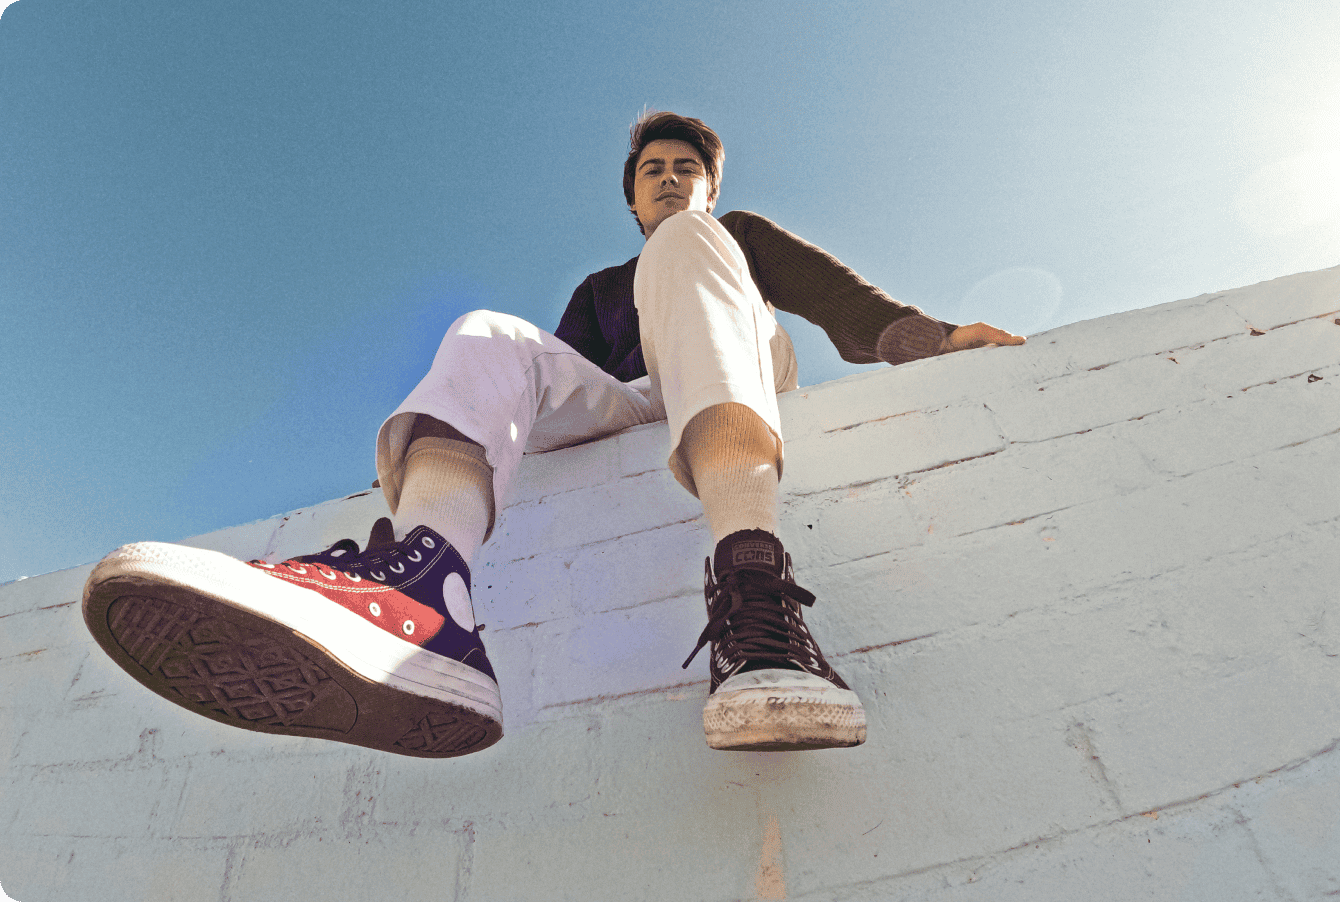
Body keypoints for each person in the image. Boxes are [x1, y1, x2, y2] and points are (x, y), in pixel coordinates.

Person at [82, 112, 1025, 759]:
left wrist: (935, 339)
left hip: (732, 367)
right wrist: (460, 441)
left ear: (709, 184)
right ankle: (423, 591)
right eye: (653, 173)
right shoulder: (599, 291)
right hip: (632, 401)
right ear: (630, 198)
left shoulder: (725, 232)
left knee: (689, 247)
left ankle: (758, 609)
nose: (670, 179)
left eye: (686, 169)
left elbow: (840, 301)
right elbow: (549, 384)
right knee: (490, 332)